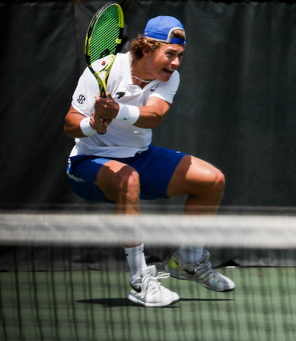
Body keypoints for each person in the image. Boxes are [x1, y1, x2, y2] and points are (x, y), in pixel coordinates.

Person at [64, 16, 235, 307]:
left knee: (212, 180)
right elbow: (70, 123)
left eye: (180, 55)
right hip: (90, 162)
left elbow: (153, 115)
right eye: (170, 54)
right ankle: (140, 281)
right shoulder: (103, 69)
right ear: (147, 49)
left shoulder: (169, 78)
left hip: (142, 157)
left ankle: (189, 261)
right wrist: (92, 124)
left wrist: (116, 111)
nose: (176, 62)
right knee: (127, 178)